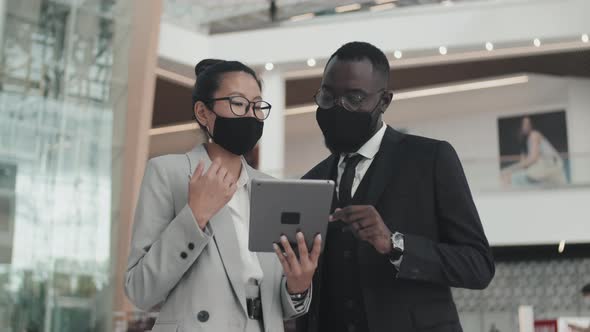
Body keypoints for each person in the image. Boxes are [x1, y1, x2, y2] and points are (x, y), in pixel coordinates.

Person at [296, 42, 495, 332]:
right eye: (327, 96)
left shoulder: (430, 159)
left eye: (354, 98)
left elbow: (478, 267)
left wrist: (395, 244)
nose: (338, 108)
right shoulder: (310, 182)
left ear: (385, 101)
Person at [125, 59, 321, 332]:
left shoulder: (271, 188)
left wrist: (298, 286)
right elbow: (140, 290)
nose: (250, 115)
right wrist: (195, 217)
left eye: (257, 106)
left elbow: (279, 306)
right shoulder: (168, 173)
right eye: (238, 104)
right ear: (203, 113)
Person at [501, 116, 567, 186]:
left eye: (528, 123)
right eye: (524, 123)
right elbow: (525, 164)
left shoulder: (534, 135)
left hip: (550, 168)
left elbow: (533, 158)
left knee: (511, 178)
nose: (527, 126)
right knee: (510, 177)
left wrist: (509, 169)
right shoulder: (525, 143)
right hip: (544, 172)